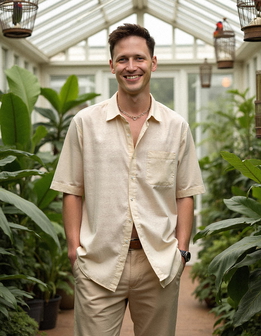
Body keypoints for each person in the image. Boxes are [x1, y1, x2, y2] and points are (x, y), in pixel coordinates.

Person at [50, 23, 205, 336]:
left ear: (153, 62)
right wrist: (73, 250)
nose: (131, 67)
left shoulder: (176, 127)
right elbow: (71, 190)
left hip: (158, 264)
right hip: (98, 262)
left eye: (139, 58)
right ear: (111, 65)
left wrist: (182, 251)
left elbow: (185, 193)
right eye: (122, 59)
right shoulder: (85, 124)